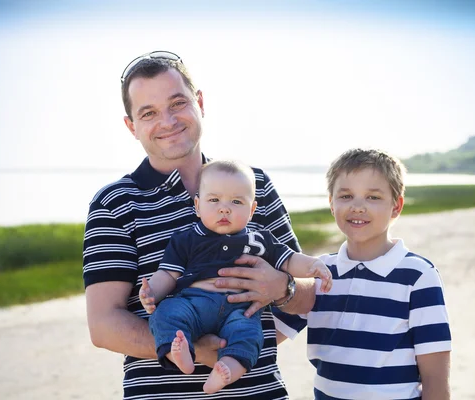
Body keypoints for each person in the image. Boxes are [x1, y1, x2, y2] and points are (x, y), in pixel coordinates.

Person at [82, 50, 315, 399]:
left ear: (199, 102)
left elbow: (309, 297)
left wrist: (280, 292)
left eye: (177, 103)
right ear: (132, 126)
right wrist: (195, 346)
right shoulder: (115, 203)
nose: (168, 121)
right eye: (149, 113)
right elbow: (103, 326)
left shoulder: (255, 186)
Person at [139, 159, 332, 394]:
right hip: (193, 303)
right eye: (214, 200)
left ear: (252, 210)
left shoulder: (260, 240)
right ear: (198, 206)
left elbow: (290, 260)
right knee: (165, 313)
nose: (224, 208)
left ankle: (226, 370)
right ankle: (180, 354)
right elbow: (168, 273)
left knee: (249, 335)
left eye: (236, 201)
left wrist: (313, 265)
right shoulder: (187, 238)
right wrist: (152, 293)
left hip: (240, 309)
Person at [274, 148, 452, 399]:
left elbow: (435, 377)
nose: (358, 207)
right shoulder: (319, 274)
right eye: (346, 196)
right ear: (331, 204)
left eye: (373, 197)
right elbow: (266, 338)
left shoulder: (419, 276)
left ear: (396, 206)